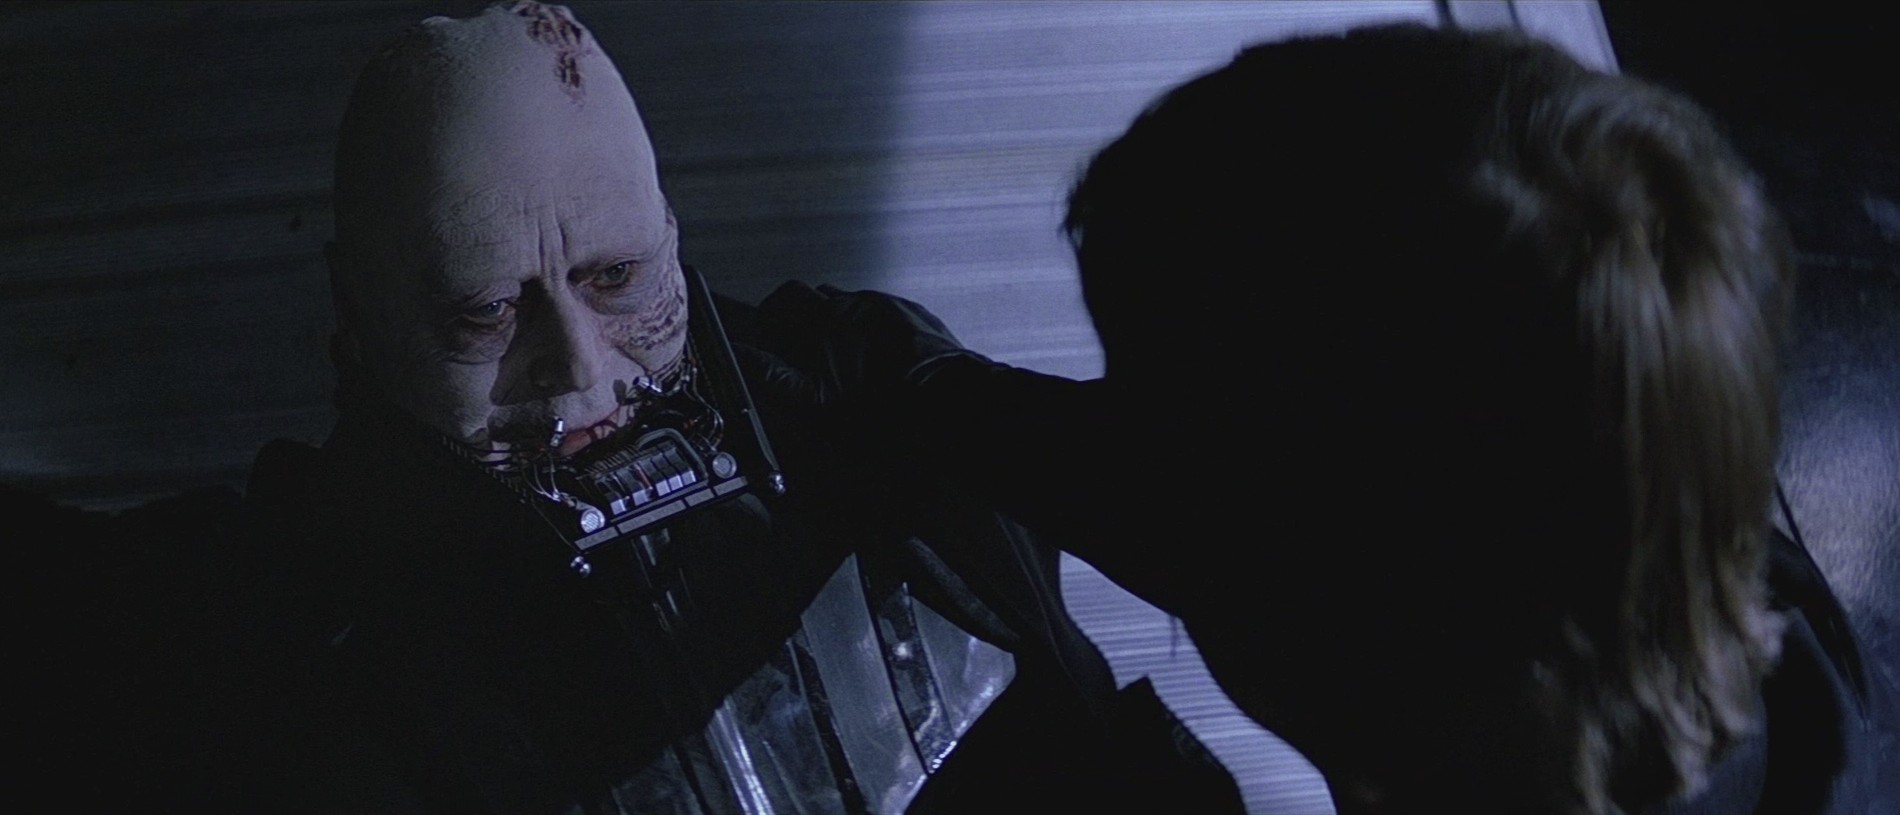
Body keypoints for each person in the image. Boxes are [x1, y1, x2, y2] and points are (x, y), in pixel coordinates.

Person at [27, 3, 1242, 813]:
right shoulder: (264, 609)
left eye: (618, 279)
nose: (578, 368)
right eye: (486, 313)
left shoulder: (851, 383)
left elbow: (1230, 517)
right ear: (360, 318)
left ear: (671, 236)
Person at [753, 22, 1899, 815]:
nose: (1125, 455)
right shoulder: (1641, 472)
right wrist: (919, 389)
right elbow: (1208, 487)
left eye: (1142, 408)